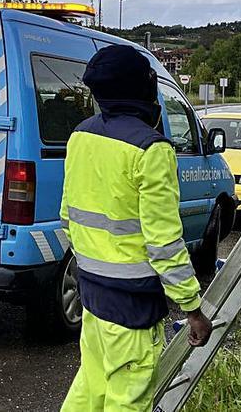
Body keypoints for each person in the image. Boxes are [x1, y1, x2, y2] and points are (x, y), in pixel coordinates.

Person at [59, 45, 213, 412]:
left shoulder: (81, 135)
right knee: (128, 399)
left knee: (91, 387)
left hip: (93, 295)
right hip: (132, 306)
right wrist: (192, 309)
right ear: (143, 91)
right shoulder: (151, 149)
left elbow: (67, 216)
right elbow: (164, 243)